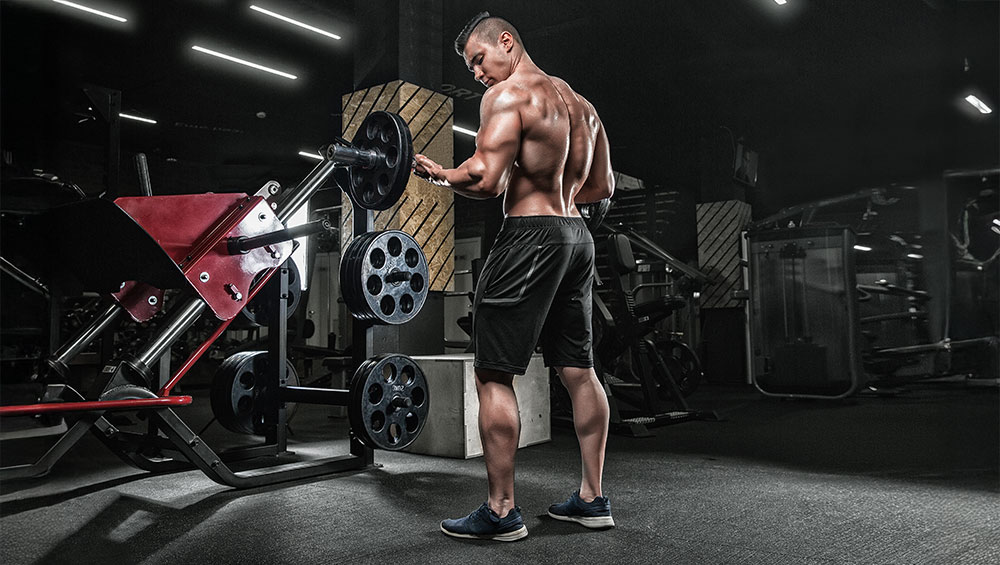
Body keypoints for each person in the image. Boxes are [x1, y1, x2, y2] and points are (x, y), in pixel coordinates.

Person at [413, 12, 615, 542]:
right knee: (579, 370)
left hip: (530, 237)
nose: (478, 74)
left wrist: (441, 174)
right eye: (472, 69)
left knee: (493, 373)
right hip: (578, 237)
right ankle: (592, 498)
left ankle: (501, 510)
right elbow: (602, 187)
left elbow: (485, 179)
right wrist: (554, 190)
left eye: (479, 60)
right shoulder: (581, 105)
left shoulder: (507, 95)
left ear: (506, 42)